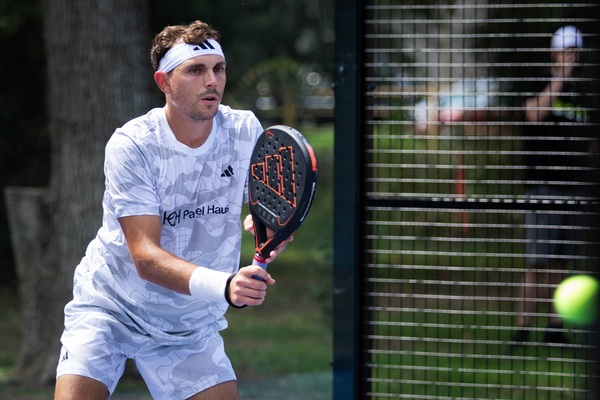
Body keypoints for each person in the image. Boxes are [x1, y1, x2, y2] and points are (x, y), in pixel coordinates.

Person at [54, 20, 290, 399]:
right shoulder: (133, 145)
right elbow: (146, 257)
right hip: (111, 308)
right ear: (164, 82)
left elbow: (268, 212)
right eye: (196, 70)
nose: (212, 81)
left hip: (191, 324)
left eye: (218, 68)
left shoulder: (244, 130)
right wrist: (225, 286)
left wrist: (272, 232)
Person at [510, 25, 596, 352]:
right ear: (554, 53)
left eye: (575, 52)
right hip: (544, 186)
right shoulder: (537, 82)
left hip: (576, 188)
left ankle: (555, 328)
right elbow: (534, 114)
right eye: (566, 51)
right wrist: (560, 79)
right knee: (537, 261)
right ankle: (522, 330)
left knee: (563, 262)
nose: (571, 57)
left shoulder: (584, 94)